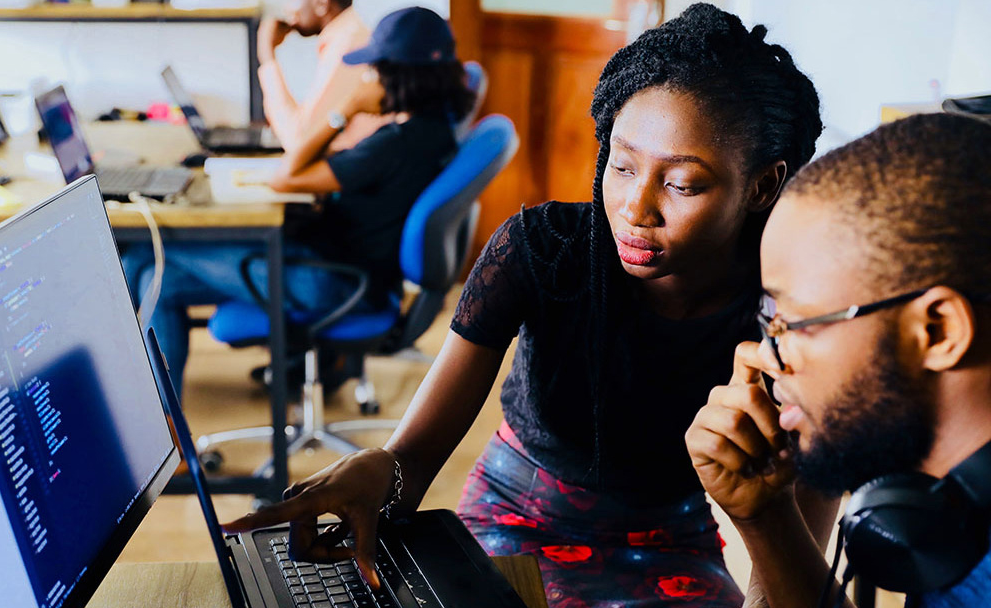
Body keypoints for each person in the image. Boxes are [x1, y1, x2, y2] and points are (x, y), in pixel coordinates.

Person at [225, 4, 829, 606]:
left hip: (671, 538)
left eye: (682, 184)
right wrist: (383, 471)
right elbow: (410, 461)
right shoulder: (543, 252)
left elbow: (788, 581)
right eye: (620, 166)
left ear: (762, 185)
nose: (634, 209)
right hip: (514, 515)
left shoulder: (795, 315)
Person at [686, 113, 991, 608]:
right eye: (769, 321)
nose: (765, 356)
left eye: (794, 324)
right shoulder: (943, 509)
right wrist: (765, 518)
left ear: (938, 331)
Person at [124, 7, 475, 394]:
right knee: (158, 279)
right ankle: (169, 423)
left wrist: (344, 110)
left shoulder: (394, 145)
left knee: (144, 258)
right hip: (350, 273)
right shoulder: (435, 131)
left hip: (331, 282)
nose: (365, 77)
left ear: (398, 76)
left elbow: (286, 175)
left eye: (373, 69)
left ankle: (154, 418)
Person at [258, 0, 387, 152]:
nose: (286, 10)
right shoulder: (345, 37)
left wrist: (267, 56)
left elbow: (300, 142)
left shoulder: (347, 46)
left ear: (321, 4)